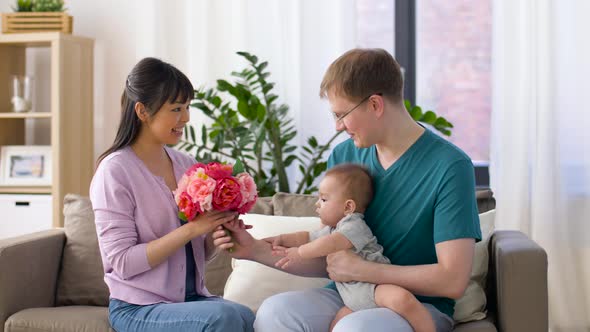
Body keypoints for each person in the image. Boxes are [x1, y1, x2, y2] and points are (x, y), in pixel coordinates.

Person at [215, 48, 481, 332]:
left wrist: (366, 270)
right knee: (275, 312)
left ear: (375, 105)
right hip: (348, 294)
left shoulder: (450, 166)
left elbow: (452, 281)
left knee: (355, 329)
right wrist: (253, 249)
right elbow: (329, 255)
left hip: (417, 306)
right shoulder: (343, 158)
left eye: (342, 114)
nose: (338, 126)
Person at [90, 57, 255, 332]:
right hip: (137, 307)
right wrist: (192, 229)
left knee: (246, 316)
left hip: (190, 300)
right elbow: (122, 263)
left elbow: (196, 250)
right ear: (142, 111)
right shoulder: (115, 171)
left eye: (187, 107)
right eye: (176, 108)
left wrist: (217, 232)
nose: (186, 118)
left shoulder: (185, 164)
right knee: (224, 318)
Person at [269, 163, 436, 332]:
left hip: (375, 286)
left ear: (348, 207)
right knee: (336, 325)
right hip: (352, 298)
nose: (317, 204)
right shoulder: (333, 229)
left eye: (324, 199)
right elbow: (306, 236)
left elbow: (330, 243)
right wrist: (282, 238)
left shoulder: (354, 225)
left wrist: (300, 252)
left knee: (402, 300)